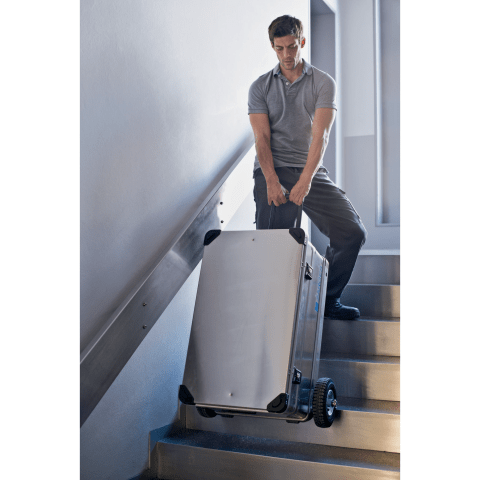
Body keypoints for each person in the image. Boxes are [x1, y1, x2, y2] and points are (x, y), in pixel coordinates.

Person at [248, 14, 367, 320]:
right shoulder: (260, 87)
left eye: (292, 46)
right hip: (273, 170)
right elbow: (261, 138)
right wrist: (271, 181)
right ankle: (273, 318)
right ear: (273, 47)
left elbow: (321, 135)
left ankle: (327, 300)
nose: (287, 54)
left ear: (302, 42)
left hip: (309, 169)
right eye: (280, 48)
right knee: (275, 247)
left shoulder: (323, 82)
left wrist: (305, 180)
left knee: (351, 231)